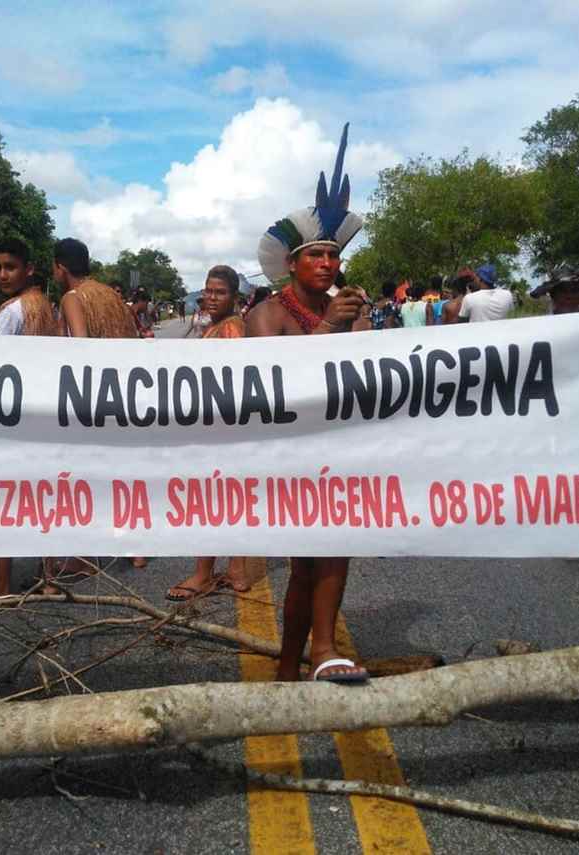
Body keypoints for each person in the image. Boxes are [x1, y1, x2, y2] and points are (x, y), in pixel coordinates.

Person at [250, 124, 371, 684]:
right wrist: (328, 327)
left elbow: (371, 373)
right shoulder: (267, 314)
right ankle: (300, 658)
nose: (326, 263)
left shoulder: (349, 307)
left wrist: (357, 325)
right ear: (293, 264)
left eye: (333, 255)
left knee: (336, 551)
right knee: (305, 562)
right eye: (316, 255)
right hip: (290, 452)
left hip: (340, 447)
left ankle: (315, 653)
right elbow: (271, 383)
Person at [51, 238, 144, 574]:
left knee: (85, 477)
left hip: (93, 400)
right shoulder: (111, 296)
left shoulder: (73, 297)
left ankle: (84, 557)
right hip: (125, 395)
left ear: (60, 267)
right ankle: (135, 549)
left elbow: (81, 348)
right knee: (121, 474)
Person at [167, 266, 249, 602]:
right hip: (226, 429)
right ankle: (237, 571)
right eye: (208, 291)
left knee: (210, 500)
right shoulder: (222, 326)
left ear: (234, 297)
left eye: (220, 292)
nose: (212, 298)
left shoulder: (231, 329)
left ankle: (203, 574)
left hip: (220, 429)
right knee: (231, 498)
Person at [0, 238, 60, 597]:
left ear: (28, 269)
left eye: (10, 267)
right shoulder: (44, 306)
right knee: (44, 495)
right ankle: (49, 576)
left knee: (7, 499)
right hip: (43, 414)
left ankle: (1, 581)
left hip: (14, 419)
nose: (2, 274)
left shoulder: (12, 311)